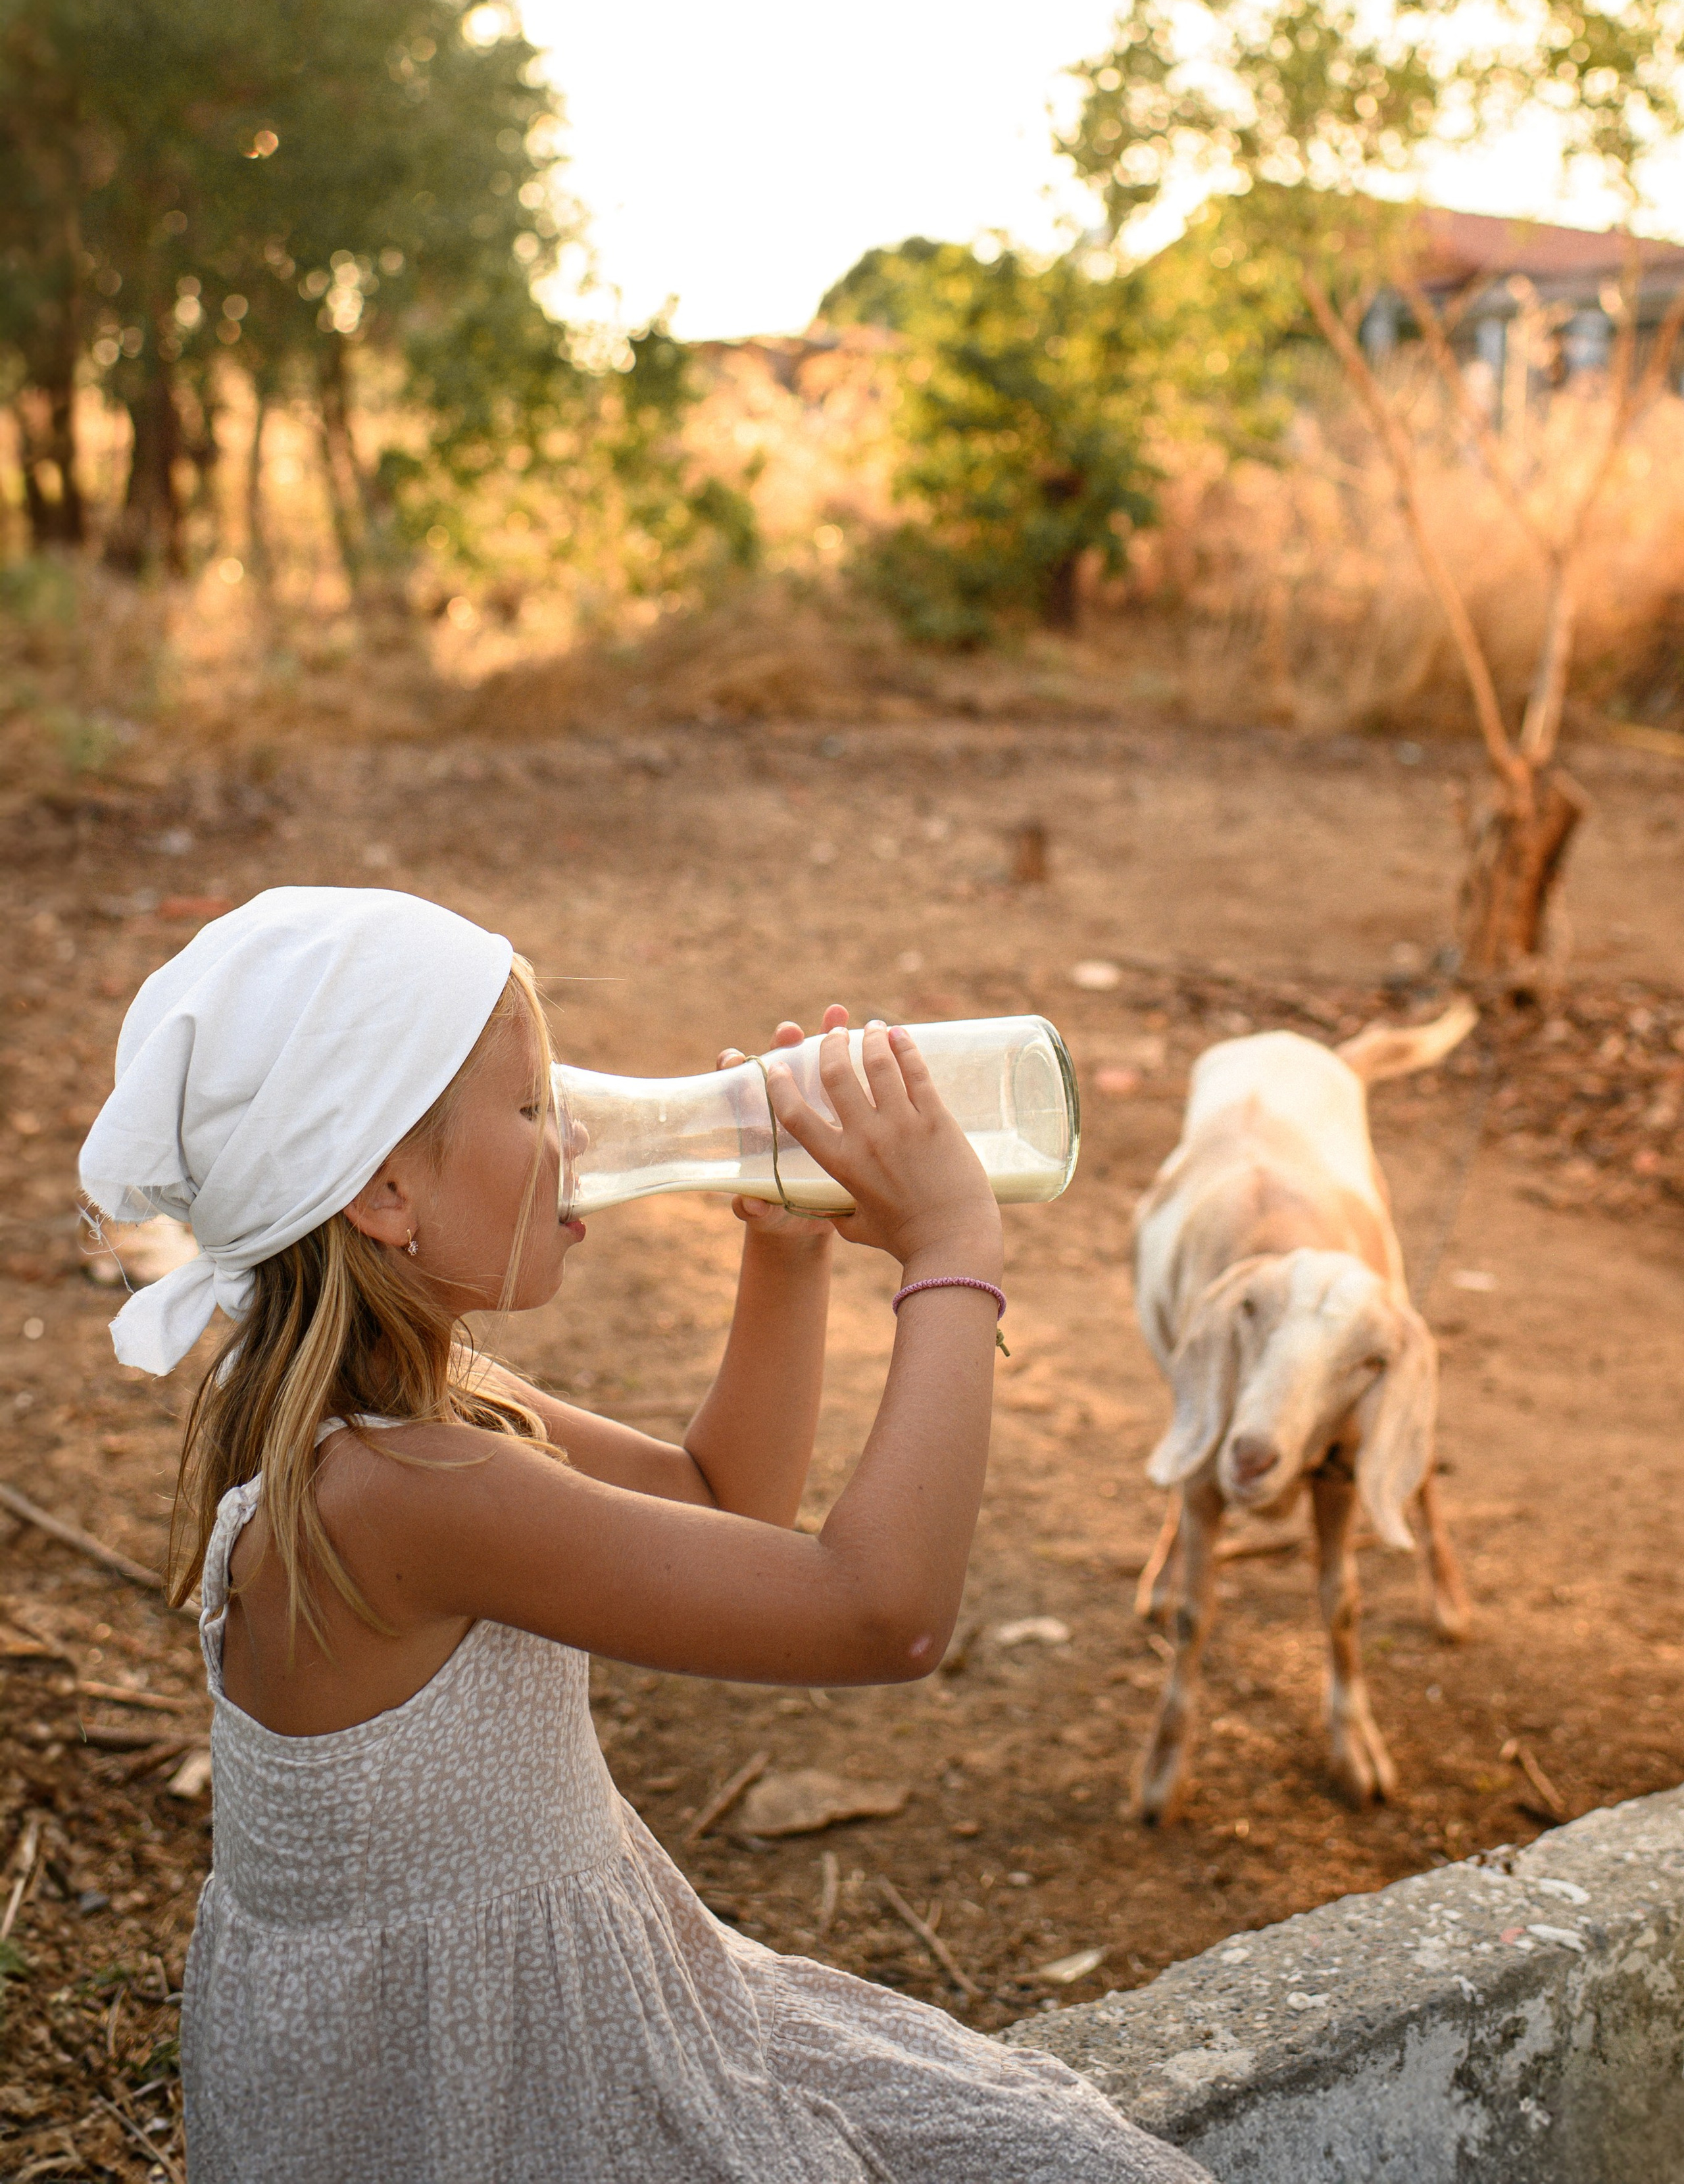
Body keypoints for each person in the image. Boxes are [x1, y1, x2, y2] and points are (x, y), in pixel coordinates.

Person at [80, 886, 1209, 2184]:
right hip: (471, 2096)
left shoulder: (378, 1401)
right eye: (528, 1108)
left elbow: (717, 1499)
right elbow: (878, 1611)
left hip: (552, 1999)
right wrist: (950, 1250)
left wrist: (783, 1255)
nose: (572, 1132)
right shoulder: (405, 1489)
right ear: (388, 1191)